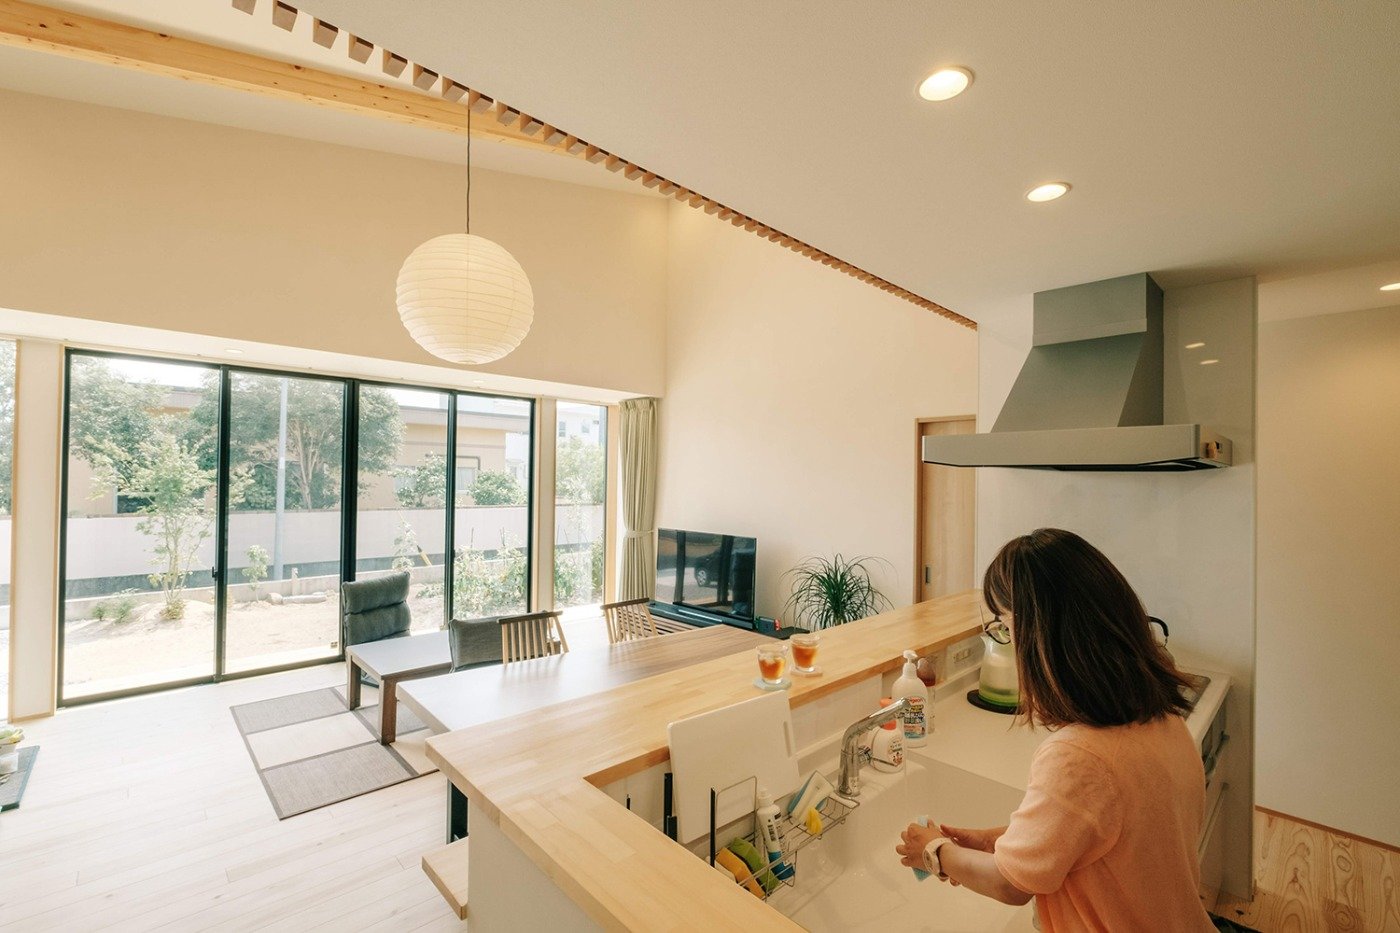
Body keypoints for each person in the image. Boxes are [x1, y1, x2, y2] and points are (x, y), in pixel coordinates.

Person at [895, 528, 1215, 932]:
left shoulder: (1079, 758)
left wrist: (934, 852)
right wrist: (1003, 841)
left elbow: (1010, 885)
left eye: (1005, 626)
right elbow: (1105, 833)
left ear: (1041, 636)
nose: (1008, 642)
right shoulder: (1164, 720)